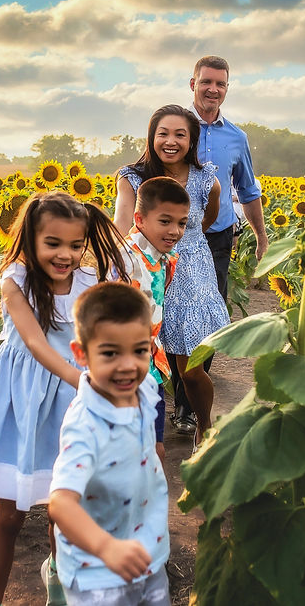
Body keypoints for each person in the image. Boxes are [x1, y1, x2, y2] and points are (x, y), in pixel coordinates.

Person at [0, 191, 130, 606]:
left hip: (71, 409)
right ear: (31, 239)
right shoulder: (15, 281)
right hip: (24, 403)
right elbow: (34, 342)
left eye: (75, 245)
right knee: (10, 517)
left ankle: (59, 591)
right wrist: (81, 379)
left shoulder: (92, 282)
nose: (65, 255)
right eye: (53, 243)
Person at [114, 104, 229, 450]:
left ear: (192, 140)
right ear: (152, 137)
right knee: (140, 357)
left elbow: (202, 222)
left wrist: (181, 239)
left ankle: (204, 426)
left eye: (180, 134)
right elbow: (122, 222)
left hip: (192, 269)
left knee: (190, 368)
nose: (171, 141)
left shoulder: (206, 179)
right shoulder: (132, 177)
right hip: (145, 269)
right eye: (163, 133)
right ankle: (143, 437)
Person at [166, 55, 271, 436]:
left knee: (206, 321)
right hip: (172, 235)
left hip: (218, 237)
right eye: (206, 81)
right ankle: (179, 398)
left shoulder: (236, 138)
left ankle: (191, 407)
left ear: (227, 89)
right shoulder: (175, 129)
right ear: (191, 83)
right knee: (173, 313)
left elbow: (248, 190)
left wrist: (261, 235)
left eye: (221, 84)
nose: (213, 89)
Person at [49, 282, 170, 606]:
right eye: (110, 353)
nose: (128, 365)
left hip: (147, 555)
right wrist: (106, 548)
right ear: (81, 353)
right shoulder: (85, 425)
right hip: (97, 572)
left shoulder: (143, 390)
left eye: (140, 350)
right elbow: (60, 503)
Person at [117, 176, 191, 464]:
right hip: (125, 372)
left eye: (182, 223)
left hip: (152, 366)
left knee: (155, 450)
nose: (175, 231)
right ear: (140, 219)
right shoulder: (124, 259)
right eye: (165, 221)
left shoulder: (164, 258)